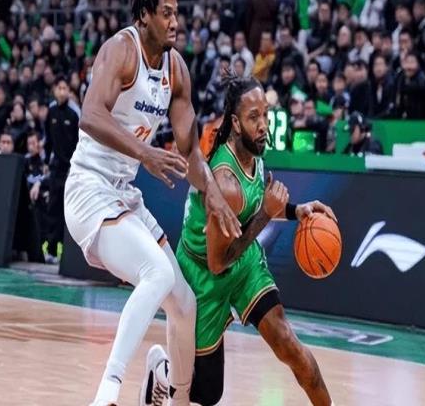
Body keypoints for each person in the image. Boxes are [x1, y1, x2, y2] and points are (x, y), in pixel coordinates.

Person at [63, 0, 241, 406]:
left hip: (123, 194)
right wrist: (145, 154)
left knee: (184, 302)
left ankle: (171, 392)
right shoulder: (121, 50)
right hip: (88, 189)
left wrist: (215, 199)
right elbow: (90, 115)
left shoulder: (176, 69)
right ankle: (107, 392)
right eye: (166, 13)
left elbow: (191, 152)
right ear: (144, 15)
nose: (174, 21)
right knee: (157, 273)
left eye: (176, 12)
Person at [142, 75, 336, 406]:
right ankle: (161, 372)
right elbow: (218, 262)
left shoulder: (253, 151)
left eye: (265, 115)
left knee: (289, 344)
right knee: (206, 393)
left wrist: (296, 210)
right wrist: (266, 215)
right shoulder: (225, 182)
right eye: (253, 117)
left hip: (243, 262)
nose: (263, 125)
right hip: (204, 275)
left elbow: (255, 207)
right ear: (235, 123)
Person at [43, 75, 80, 263]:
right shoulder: (51, 113)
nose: (62, 92)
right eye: (60, 88)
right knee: (53, 208)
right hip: (55, 168)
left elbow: (77, 144)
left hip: (70, 169)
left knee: (69, 210)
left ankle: (65, 252)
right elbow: (48, 141)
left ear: (69, 92)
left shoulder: (73, 116)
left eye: (65, 88)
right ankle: (50, 250)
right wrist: (46, 162)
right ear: (54, 90)